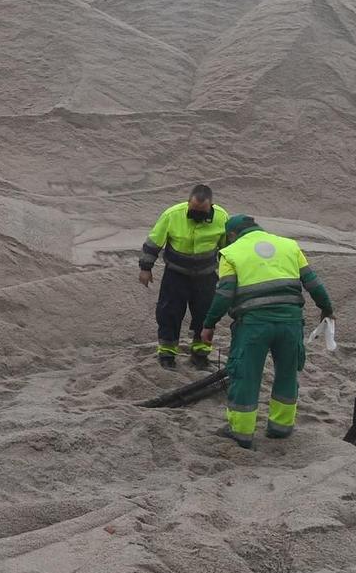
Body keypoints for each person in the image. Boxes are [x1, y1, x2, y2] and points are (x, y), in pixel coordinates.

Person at [199, 214, 335, 449]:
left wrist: (209, 324)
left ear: (232, 235)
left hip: (253, 326)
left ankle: (241, 432)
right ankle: (281, 427)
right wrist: (327, 309)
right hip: (291, 324)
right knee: (287, 374)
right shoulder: (289, 246)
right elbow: (313, 283)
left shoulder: (230, 253)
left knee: (246, 375)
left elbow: (224, 294)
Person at [138, 184, 227, 370]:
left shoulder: (221, 217)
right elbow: (154, 242)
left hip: (206, 276)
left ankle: (200, 354)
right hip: (176, 274)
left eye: (202, 212)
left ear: (211, 205)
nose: (197, 215)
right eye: (193, 210)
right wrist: (145, 268)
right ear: (188, 203)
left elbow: (229, 248)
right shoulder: (172, 215)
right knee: (169, 313)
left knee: (206, 315)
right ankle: (167, 354)